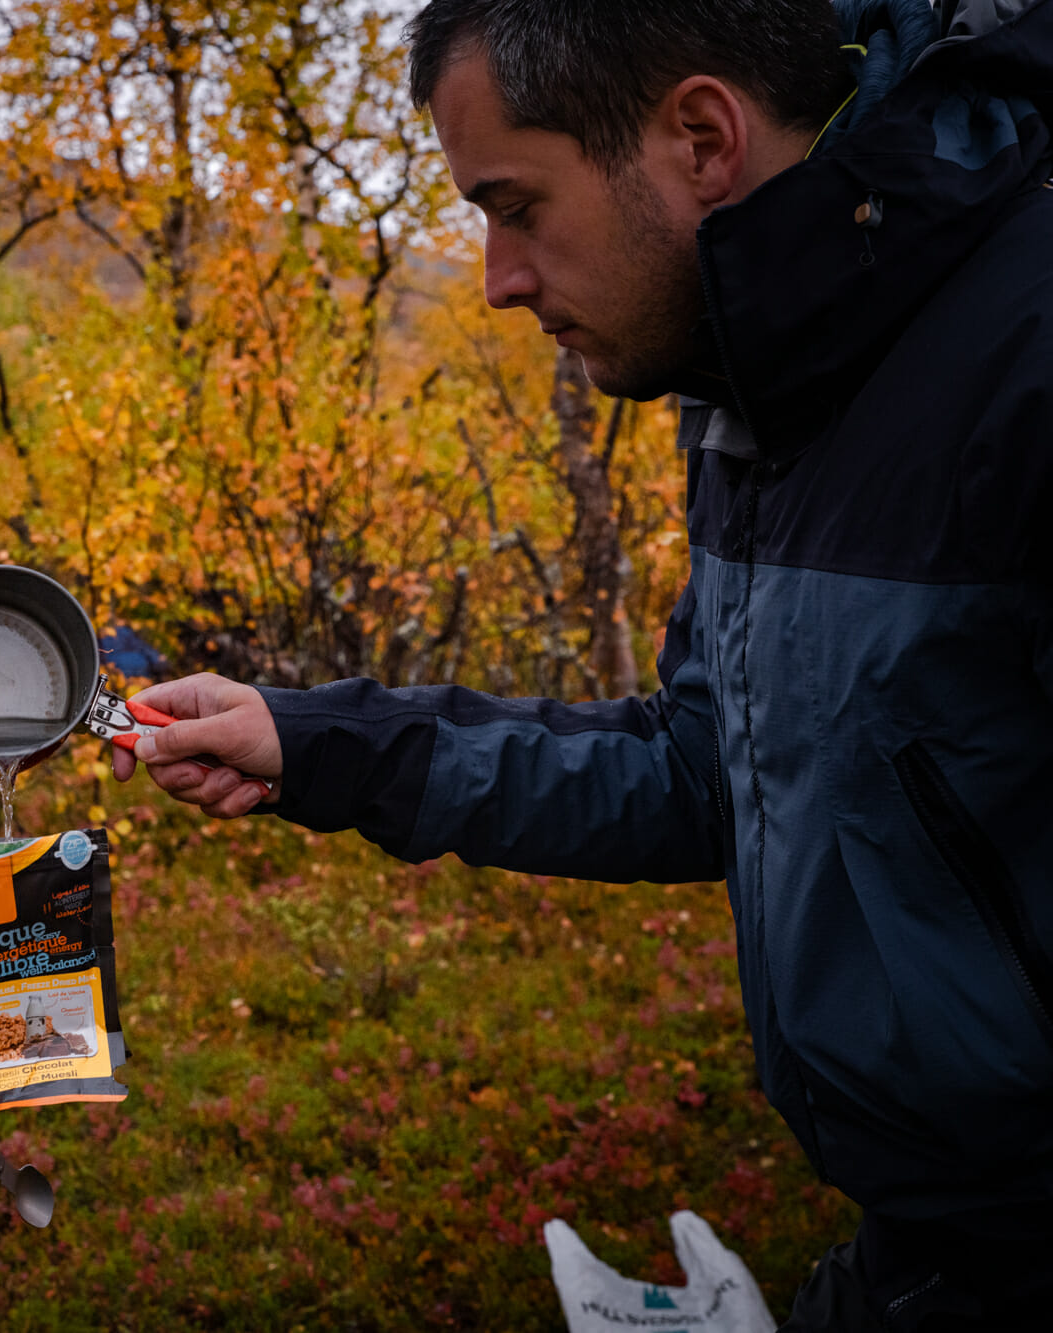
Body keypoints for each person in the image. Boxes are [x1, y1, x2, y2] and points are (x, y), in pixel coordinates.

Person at [116, 0, 1053, 1326]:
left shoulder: (1022, 358)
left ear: (702, 137)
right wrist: (313, 737)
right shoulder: (757, 381)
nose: (496, 276)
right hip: (932, 1240)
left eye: (516, 204)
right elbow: (703, 764)